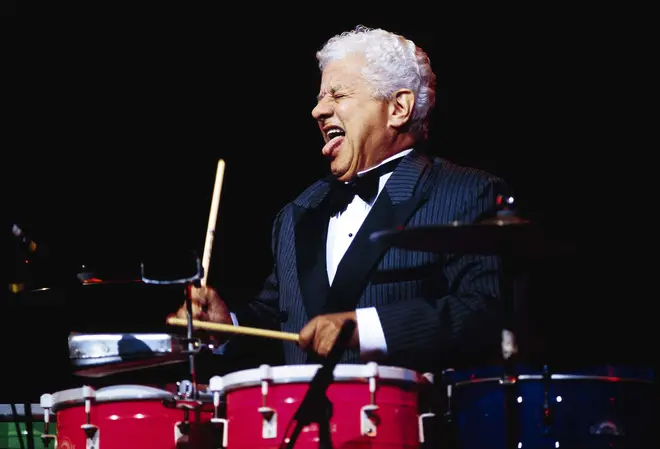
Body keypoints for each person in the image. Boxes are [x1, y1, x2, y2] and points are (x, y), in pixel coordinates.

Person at [171, 25, 510, 375]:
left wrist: (367, 330)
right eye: (320, 99)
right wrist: (228, 325)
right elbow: (282, 323)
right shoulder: (297, 213)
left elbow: (484, 311)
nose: (318, 111)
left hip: (414, 423)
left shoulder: (465, 192)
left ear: (398, 108)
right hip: (305, 423)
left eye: (338, 96)